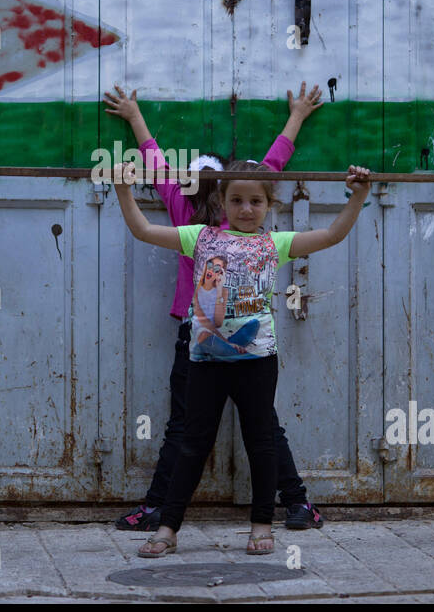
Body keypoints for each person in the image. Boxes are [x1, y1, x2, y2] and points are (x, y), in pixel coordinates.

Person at [111, 159, 372, 557]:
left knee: (261, 442)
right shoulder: (200, 238)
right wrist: (123, 188)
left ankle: (261, 524)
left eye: (255, 201)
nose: (246, 208)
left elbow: (333, 234)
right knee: (192, 445)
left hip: (257, 361)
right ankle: (168, 527)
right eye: (236, 200)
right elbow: (142, 229)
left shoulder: (275, 244)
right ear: (222, 201)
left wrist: (359, 195)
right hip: (206, 362)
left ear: (269, 204)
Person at [103, 83, 328, 532]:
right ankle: (298, 503)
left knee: (187, 427)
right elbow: (274, 160)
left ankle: (157, 510)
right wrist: (297, 114)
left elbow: (155, 160)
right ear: (226, 189)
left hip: (201, 334)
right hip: (220, 338)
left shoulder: (186, 209)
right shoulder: (236, 209)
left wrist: (134, 117)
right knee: (261, 427)